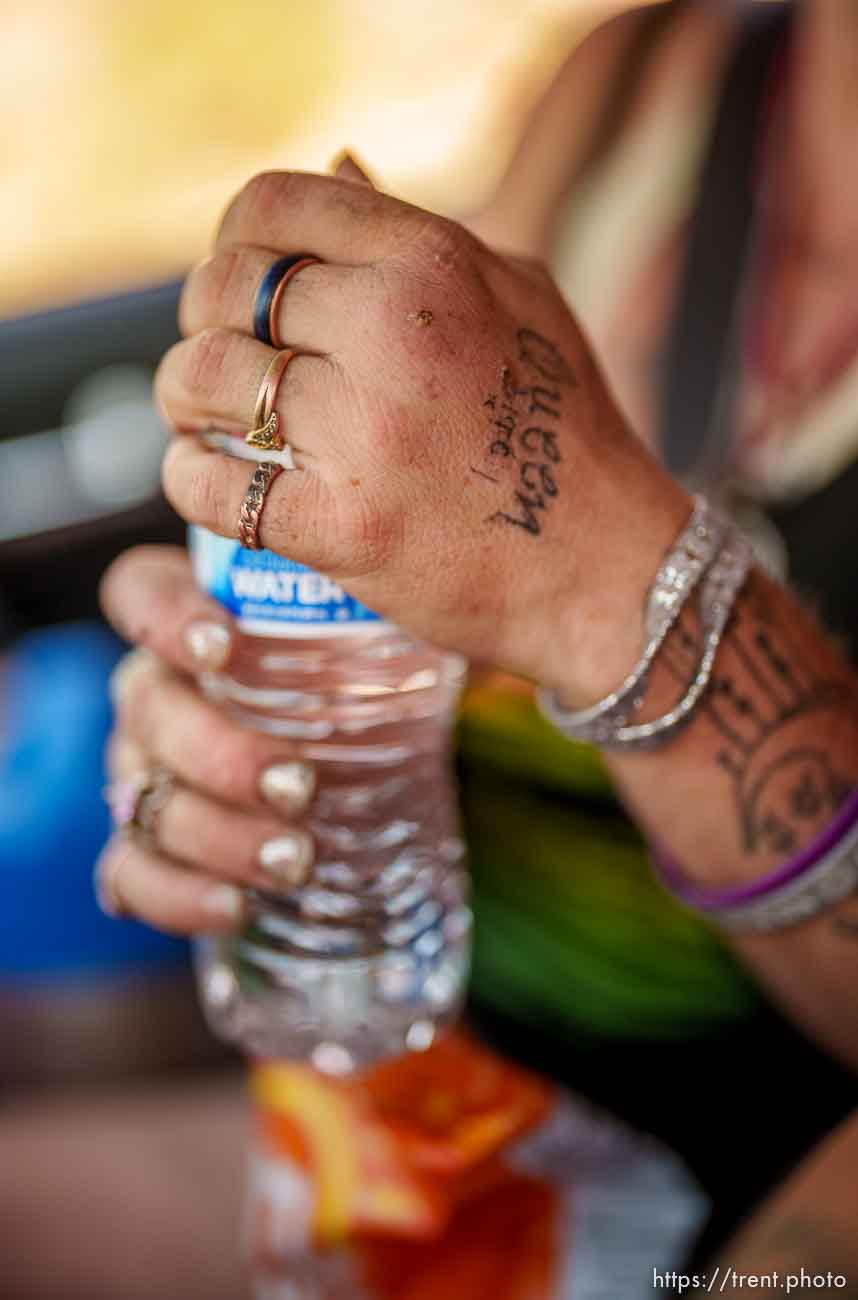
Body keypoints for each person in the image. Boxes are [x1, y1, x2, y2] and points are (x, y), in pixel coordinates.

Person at [98, 1, 858, 1287]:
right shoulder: (647, 85)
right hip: (441, 1105)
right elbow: (401, 528)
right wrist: (217, 704)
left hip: (725, 1172)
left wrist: (603, 579)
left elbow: (540, 528)